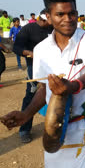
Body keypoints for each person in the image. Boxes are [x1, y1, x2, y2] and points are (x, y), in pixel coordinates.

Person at [1, 0, 85, 167]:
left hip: (83, 124)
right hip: (54, 128)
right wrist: (26, 114)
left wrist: (72, 87)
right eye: (60, 14)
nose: (68, 19)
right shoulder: (41, 49)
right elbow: (44, 89)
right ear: (49, 18)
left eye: (72, 13)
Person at [12, 10, 53, 143]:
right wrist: (29, 52)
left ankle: (58, 127)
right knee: (31, 95)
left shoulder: (53, 28)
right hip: (34, 68)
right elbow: (16, 47)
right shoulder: (28, 29)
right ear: (44, 18)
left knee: (58, 94)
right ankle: (24, 130)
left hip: (54, 66)